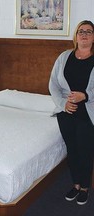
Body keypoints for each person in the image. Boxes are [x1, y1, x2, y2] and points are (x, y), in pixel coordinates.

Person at [49, 20, 94, 205]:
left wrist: (85, 95)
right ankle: (75, 185)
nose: (84, 34)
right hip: (66, 112)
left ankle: (85, 187)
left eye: (89, 31)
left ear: (93, 36)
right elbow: (53, 84)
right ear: (75, 36)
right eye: (81, 31)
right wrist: (62, 104)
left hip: (87, 112)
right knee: (72, 150)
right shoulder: (64, 56)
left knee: (85, 150)